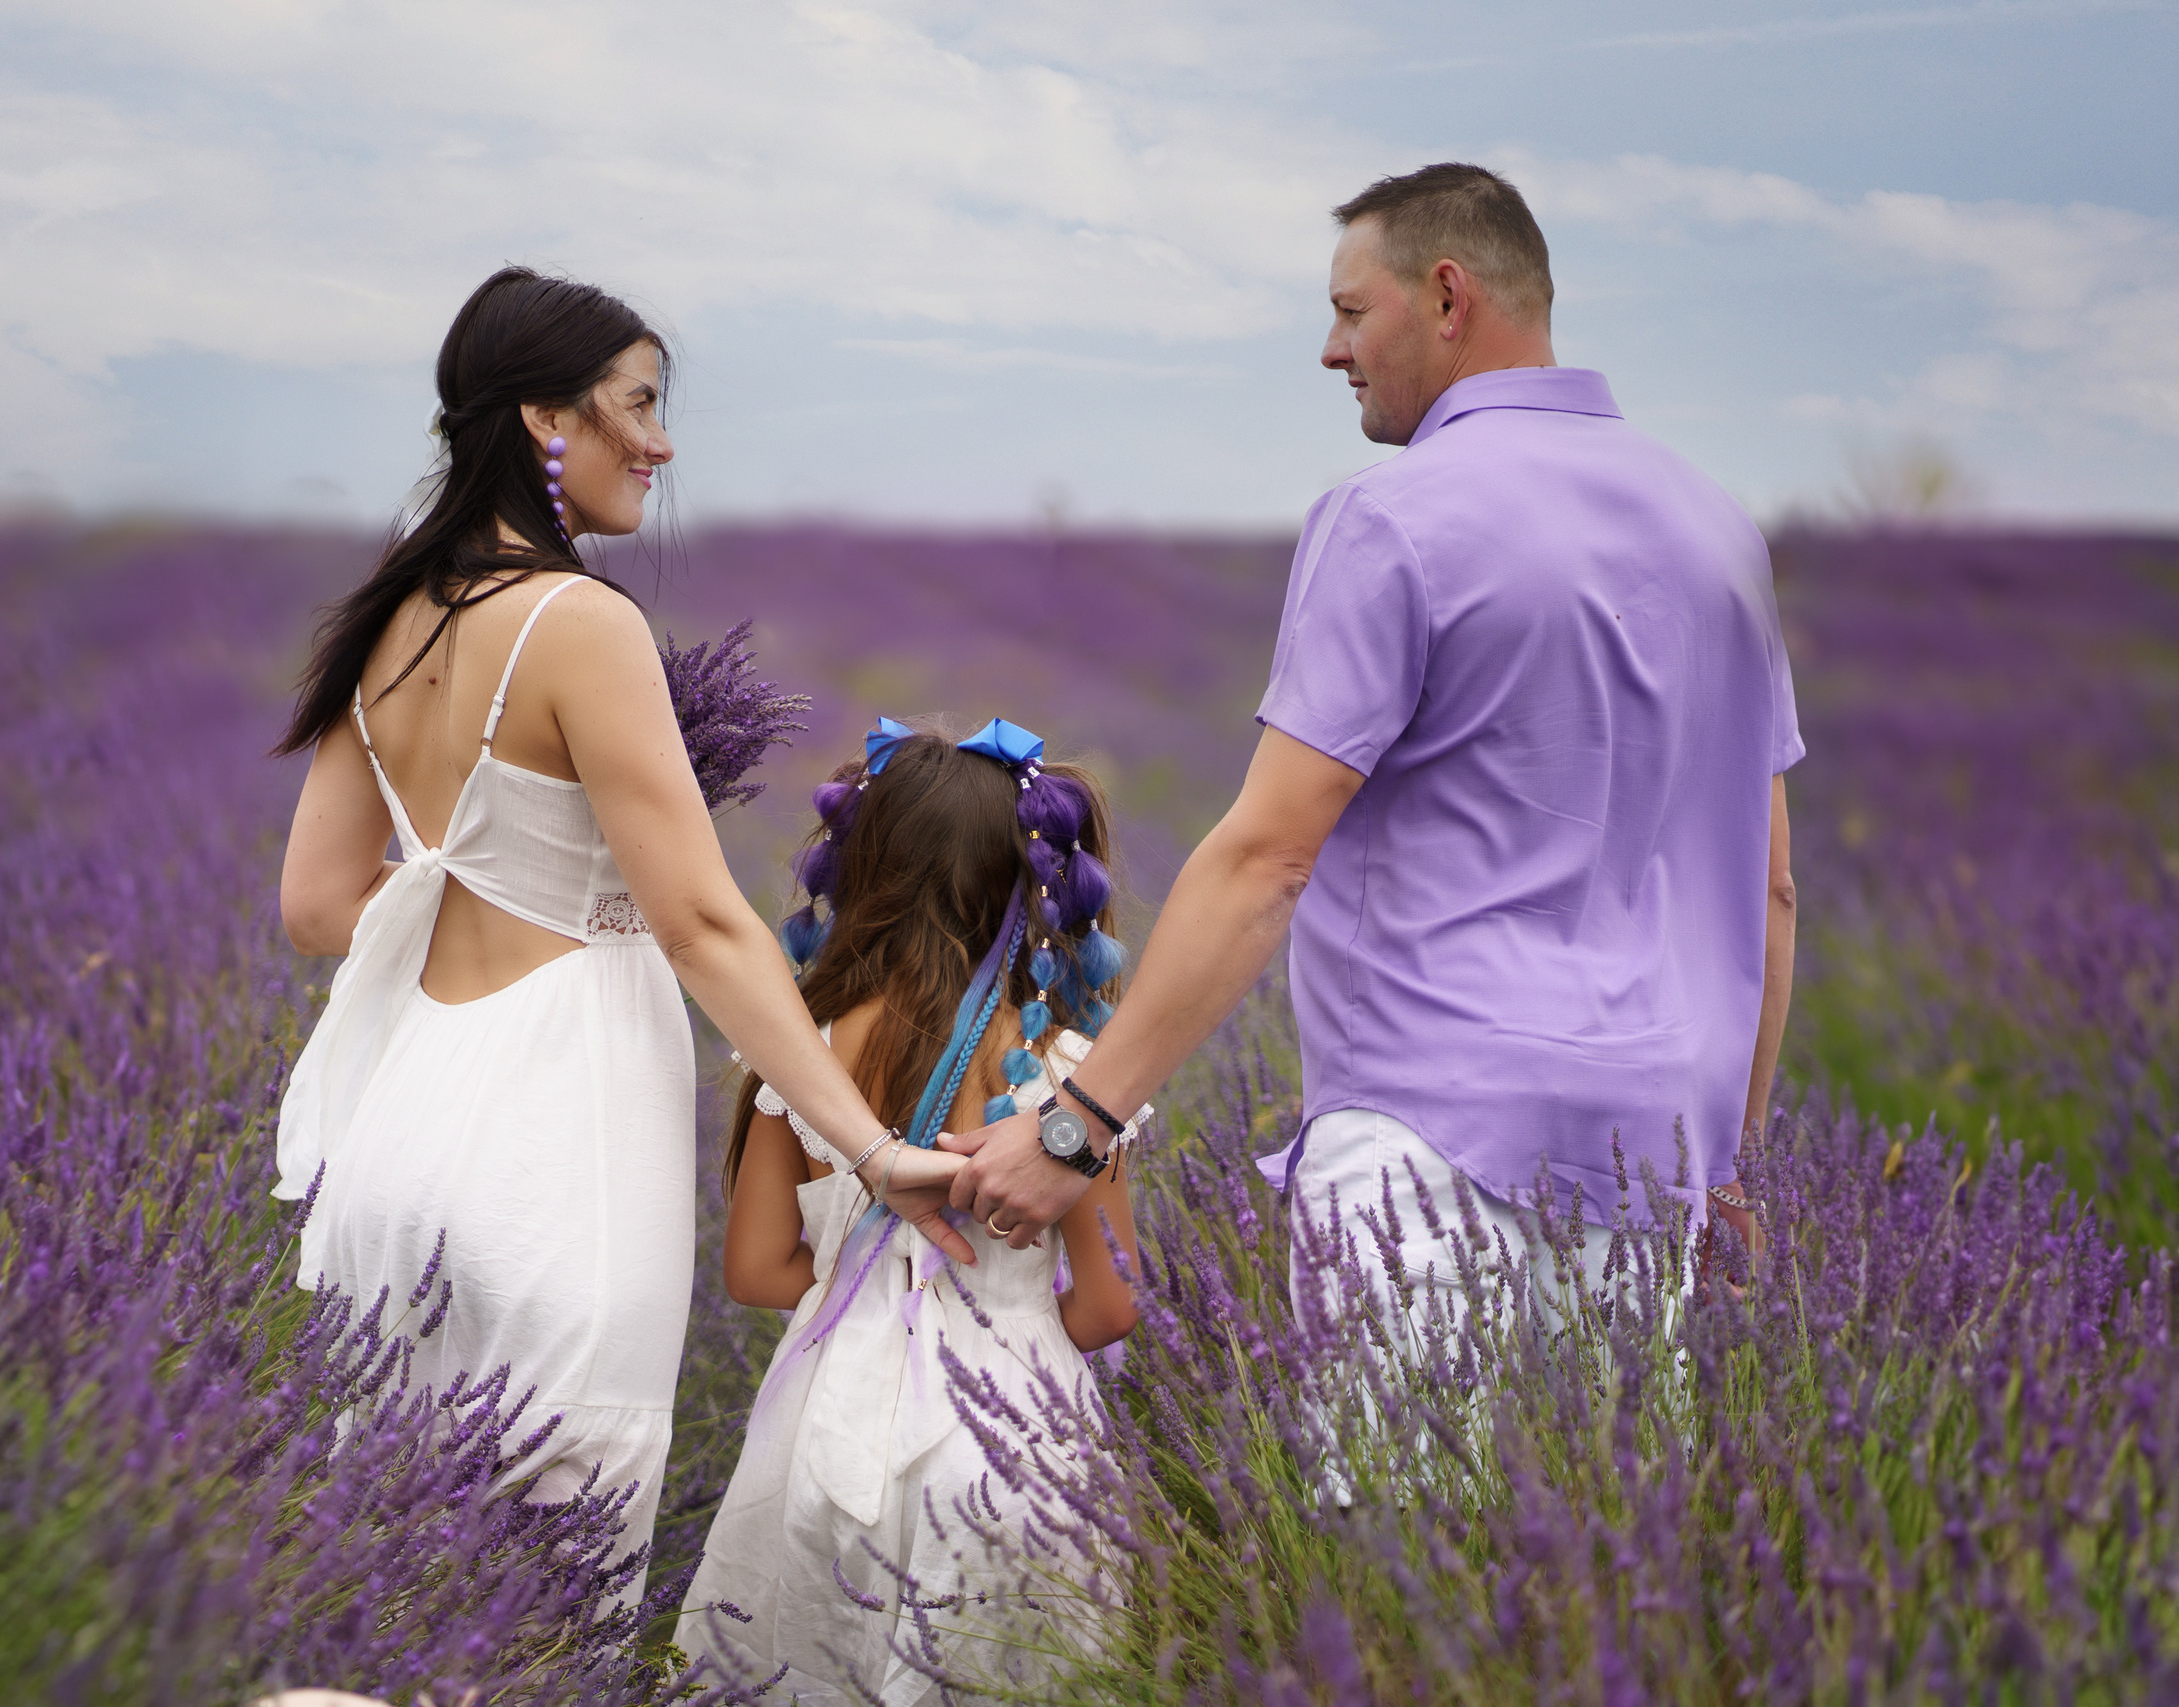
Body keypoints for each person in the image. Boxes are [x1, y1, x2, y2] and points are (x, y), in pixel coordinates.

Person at [947, 162, 1801, 1330]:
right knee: (1595, 1514)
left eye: (1352, 312)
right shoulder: (1719, 533)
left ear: (1447, 297)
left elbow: (1267, 860)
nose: (1330, 351)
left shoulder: (1394, 514)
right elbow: (1770, 886)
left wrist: (1077, 1127)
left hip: (1427, 1146)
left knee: (1402, 1519)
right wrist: (1728, 1167)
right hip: (1651, 1163)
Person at [268, 268, 974, 1594]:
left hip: (407, 1133)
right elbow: (703, 922)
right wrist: (870, 1146)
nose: (660, 442)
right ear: (547, 420)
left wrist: (509, 881)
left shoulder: (398, 608)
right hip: (551, 1144)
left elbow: (316, 906)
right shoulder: (578, 622)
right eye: (638, 405)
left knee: (400, 1594)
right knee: (547, 1591)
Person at [680, 719, 1139, 1704]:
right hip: (1017, 1442)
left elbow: (756, 1272)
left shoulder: (799, 1055)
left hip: (822, 1434)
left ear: (860, 872)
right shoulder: (1072, 1078)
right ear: (1035, 890)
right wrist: (1010, 1297)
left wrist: (865, 1277)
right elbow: (1108, 1310)